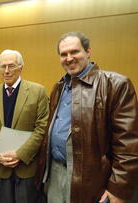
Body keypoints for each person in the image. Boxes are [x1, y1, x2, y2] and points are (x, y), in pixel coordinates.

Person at [35, 32, 138, 203]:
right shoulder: (58, 87)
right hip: (55, 173)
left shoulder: (116, 84)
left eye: (74, 52)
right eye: (63, 54)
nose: (69, 58)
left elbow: (128, 146)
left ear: (88, 51)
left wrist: (118, 190)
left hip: (91, 181)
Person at [0, 49, 49, 203]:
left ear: (21, 68)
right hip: (2, 165)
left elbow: (42, 128)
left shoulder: (37, 91)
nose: (6, 71)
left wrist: (20, 154)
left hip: (27, 166)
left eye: (11, 66)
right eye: (3, 66)